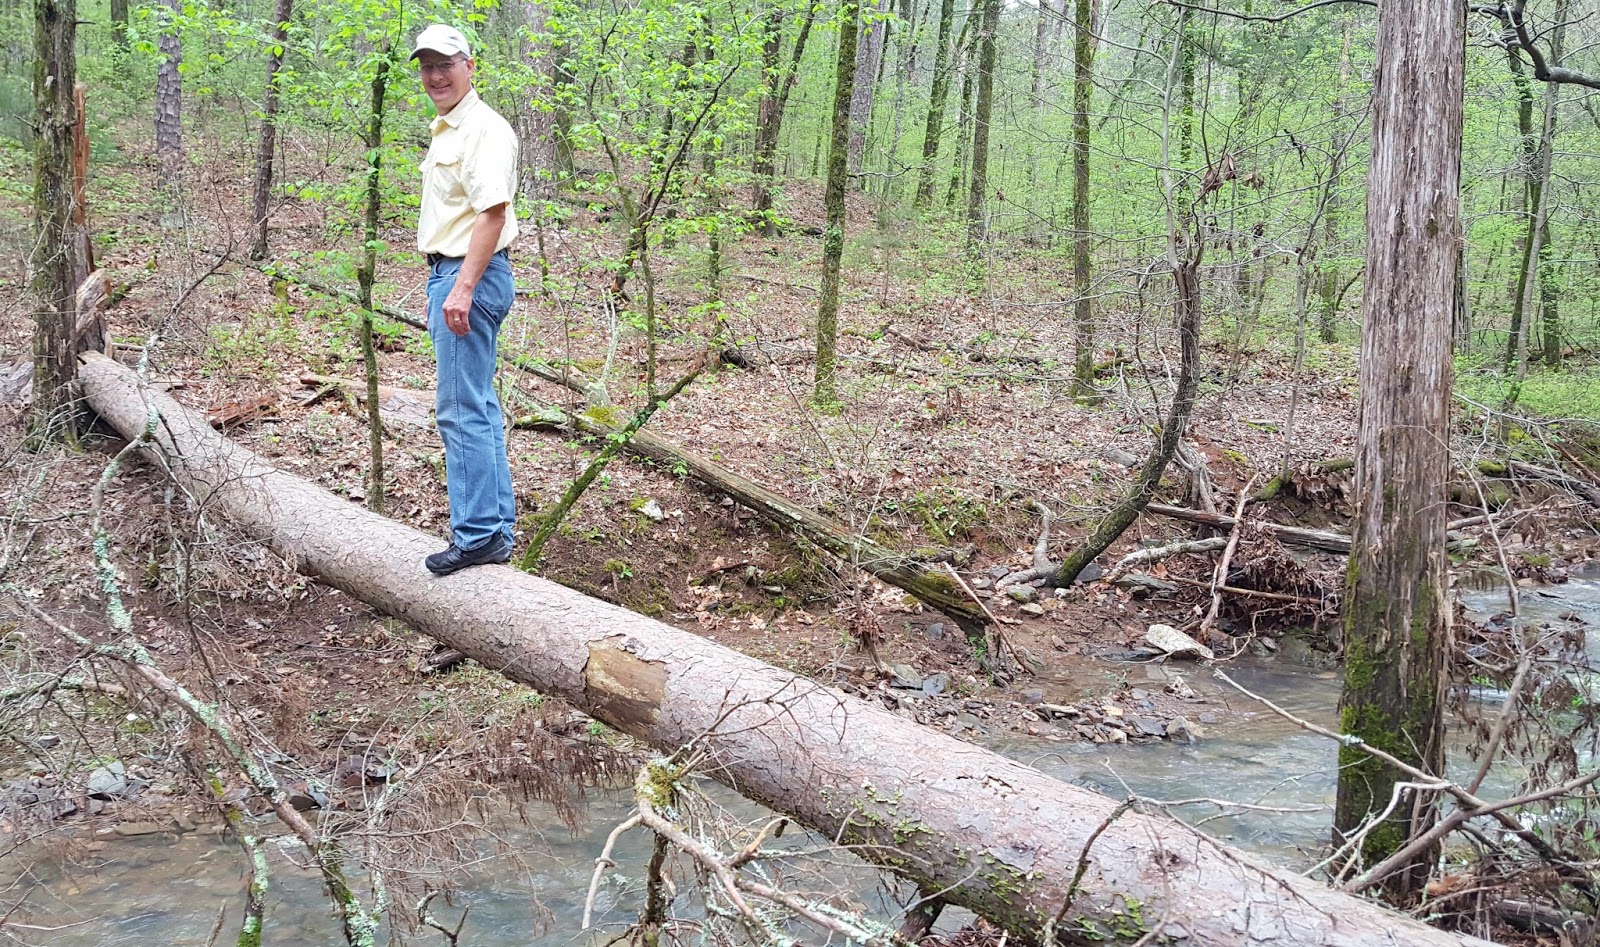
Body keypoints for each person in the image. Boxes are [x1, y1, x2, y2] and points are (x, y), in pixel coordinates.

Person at [411, 24, 521, 575]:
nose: (435, 76)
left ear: (469, 65)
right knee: (478, 405)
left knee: (460, 410)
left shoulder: (482, 129)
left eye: (445, 65)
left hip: (468, 277)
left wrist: (461, 286)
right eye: (427, 66)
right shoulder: (448, 129)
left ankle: (477, 534)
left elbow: (492, 213)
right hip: (456, 275)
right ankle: (495, 527)